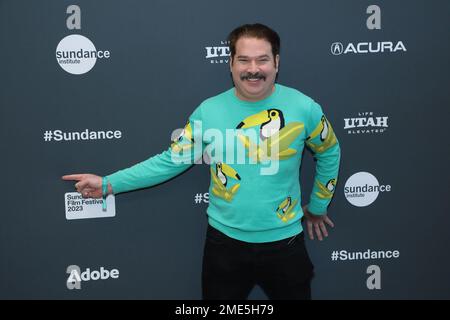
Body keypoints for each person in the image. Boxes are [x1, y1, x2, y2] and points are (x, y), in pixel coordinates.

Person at [62, 23, 340, 300]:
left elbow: (329, 151)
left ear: (276, 62)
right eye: (243, 59)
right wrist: (110, 184)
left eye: (262, 59)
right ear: (230, 63)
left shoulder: (304, 108)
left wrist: (318, 206)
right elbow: (170, 161)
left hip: (286, 245)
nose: (253, 68)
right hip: (225, 247)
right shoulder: (208, 112)